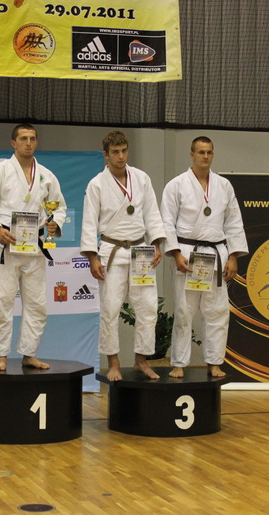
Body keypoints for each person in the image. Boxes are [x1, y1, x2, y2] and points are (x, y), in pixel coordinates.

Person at [0, 123, 66, 371]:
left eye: (32, 138)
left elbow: (59, 206)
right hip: (8, 243)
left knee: (37, 303)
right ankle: (1, 355)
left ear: (36, 142)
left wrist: (54, 222)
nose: (28, 143)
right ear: (13, 143)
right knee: (3, 301)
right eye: (23, 138)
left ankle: (29, 353)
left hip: (35, 245)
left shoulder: (47, 175)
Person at [81, 130, 166, 381]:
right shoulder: (97, 184)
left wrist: (157, 243)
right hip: (111, 250)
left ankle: (141, 360)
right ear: (106, 155)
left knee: (148, 308)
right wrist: (92, 258)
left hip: (140, 252)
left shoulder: (141, 178)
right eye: (115, 152)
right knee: (110, 310)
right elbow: (89, 223)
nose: (121, 156)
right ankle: (114, 363)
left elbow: (152, 214)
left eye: (124, 151)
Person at [161, 136, 248, 378]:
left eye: (209, 152)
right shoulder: (176, 185)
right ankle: (179, 363)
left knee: (217, 312)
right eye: (201, 152)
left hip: (216, 255)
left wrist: (233, 256)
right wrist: (175, 253)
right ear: (192, 155)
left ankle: (214, 362)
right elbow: (166, 222)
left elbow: (234, 222)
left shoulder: (224, 185)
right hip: (187, 255)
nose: (205, 156)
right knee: (183, 312)